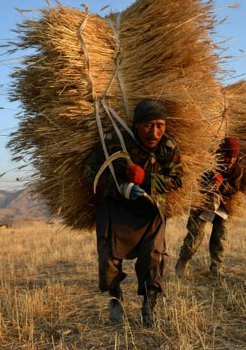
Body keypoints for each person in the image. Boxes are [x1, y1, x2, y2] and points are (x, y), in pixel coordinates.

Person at [84, 100, 183, 327]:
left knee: (154, 257)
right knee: (107, 255)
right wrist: (119, 185)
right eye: (148, 125)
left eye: (160, 125)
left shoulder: (168, 146)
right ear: (136, 125)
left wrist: (146, 179)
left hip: (150, 211)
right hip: (116, 208)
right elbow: (90, 170)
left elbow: (177, 180)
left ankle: (150, 305)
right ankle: (115, 297)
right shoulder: (116, 141)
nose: (155, 132)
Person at [175, 137, 246, 279]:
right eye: (227, 156)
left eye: (233, 157)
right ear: (220, 154)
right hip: (202, 204)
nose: (231, 160)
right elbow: (195, 183)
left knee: (220, 236)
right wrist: (211, 183)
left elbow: (235, 189)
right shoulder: (207, 165)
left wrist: (222, 185)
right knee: (195, 236)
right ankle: (181, 265)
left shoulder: (237, 170)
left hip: (223, 206)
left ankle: (216, 269)